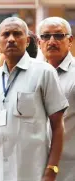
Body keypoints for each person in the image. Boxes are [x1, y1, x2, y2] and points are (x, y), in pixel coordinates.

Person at [0, 17, 68, 181]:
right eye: (6, 34)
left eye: (17, 34)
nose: (11, 39)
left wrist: (51, 171)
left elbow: (58, 127)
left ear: (27, 41)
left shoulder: (44, 73)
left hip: (31, 172)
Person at [37, 17, 75, 181]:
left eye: (59, 36)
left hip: (69, 169)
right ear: (39, 43)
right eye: (46, 36)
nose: (52, 41)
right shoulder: (33, 74)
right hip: (35, 166)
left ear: (70, 40)